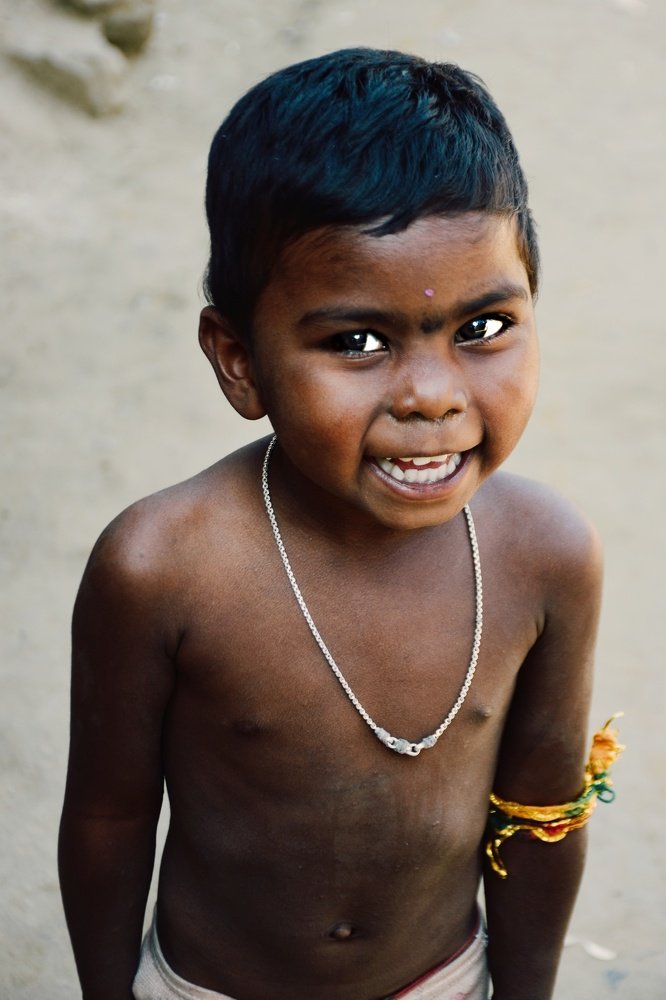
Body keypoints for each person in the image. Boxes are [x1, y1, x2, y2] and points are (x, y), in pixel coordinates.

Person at [58, 47, 614, 1000]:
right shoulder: (161, 569)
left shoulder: (548, 557)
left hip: (446, 981)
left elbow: (543, 812)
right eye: (357, 342)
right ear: (238, 360)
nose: (433, 397)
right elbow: (108, 820)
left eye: (482, 328)